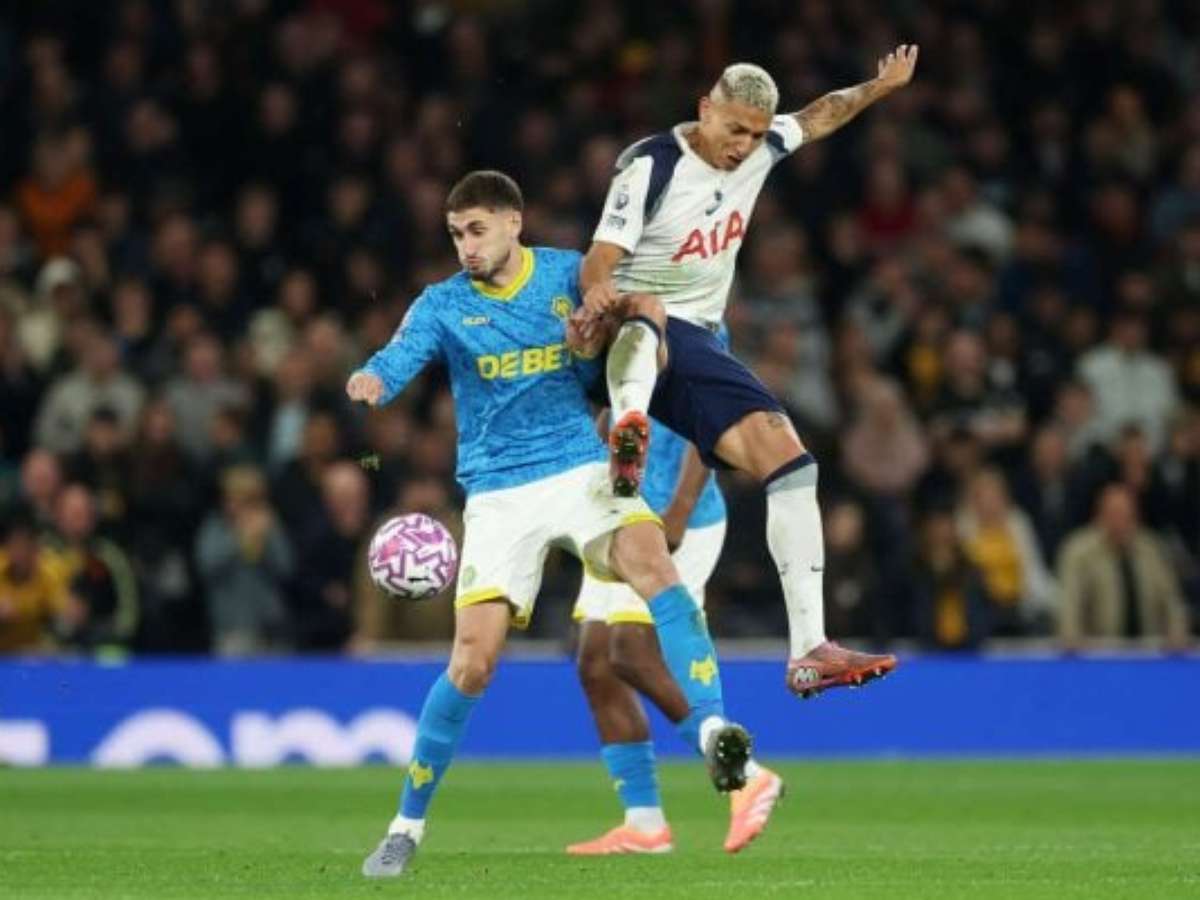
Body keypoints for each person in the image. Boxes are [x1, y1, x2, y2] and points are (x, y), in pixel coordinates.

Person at [346, 171, 757, 878]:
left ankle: (716, 727)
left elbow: (638, 302)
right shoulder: (444, 303)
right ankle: (404, 827)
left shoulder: (569, 274)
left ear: (514, 221)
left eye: (477, 230)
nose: (466, 247)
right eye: (456, 234)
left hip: (578, 465)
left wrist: (609, 338)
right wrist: (374, 379)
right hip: (498, 493)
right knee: (472, 664)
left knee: (652, 562)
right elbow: (399, 353)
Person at [569, 50, 919, 696]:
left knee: (792, 463)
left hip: (693, 344)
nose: (743, 146)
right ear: (705, 108)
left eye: (756, 134)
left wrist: (880, 85)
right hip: (619, 329)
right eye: (734, 129)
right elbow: (600, 259)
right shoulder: (652, 165)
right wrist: (596, 295)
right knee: (647, 313)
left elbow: (821, 114)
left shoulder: (762, 147)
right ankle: (628, 429)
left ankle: (809, 648)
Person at [569, 411, 782, 856]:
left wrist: (680, 509)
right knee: (596, 662)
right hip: (618, 513)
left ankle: (745, 774)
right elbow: (606, 409)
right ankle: (644, 823)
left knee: (629, 650)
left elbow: (706, 422)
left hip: (674, 516)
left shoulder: (684, 354)